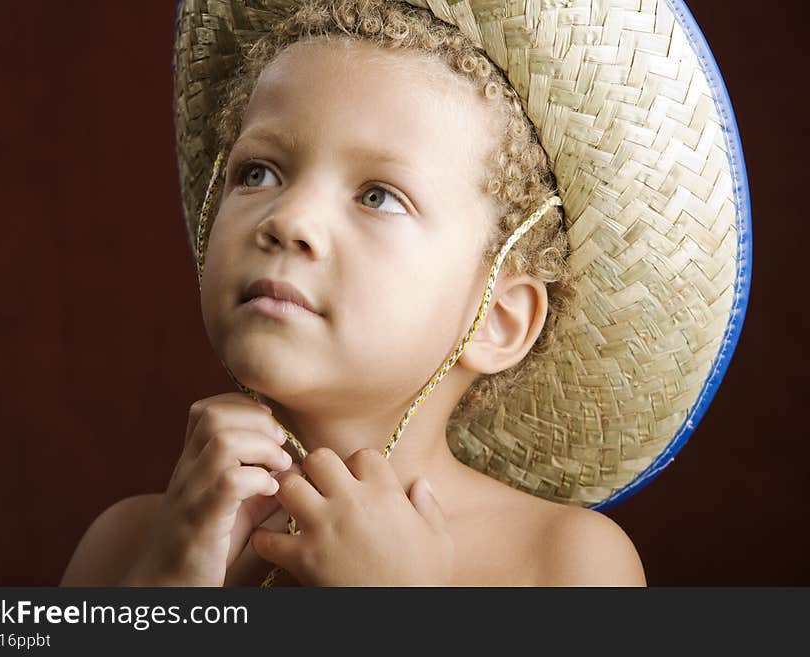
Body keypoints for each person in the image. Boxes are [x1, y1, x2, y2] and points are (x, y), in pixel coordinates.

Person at [60, 0, 749, 587]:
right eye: (259, 171)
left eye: (378, 195)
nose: (289, 219)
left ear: (499, 320)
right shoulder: (124, 546)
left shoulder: (563, 562)